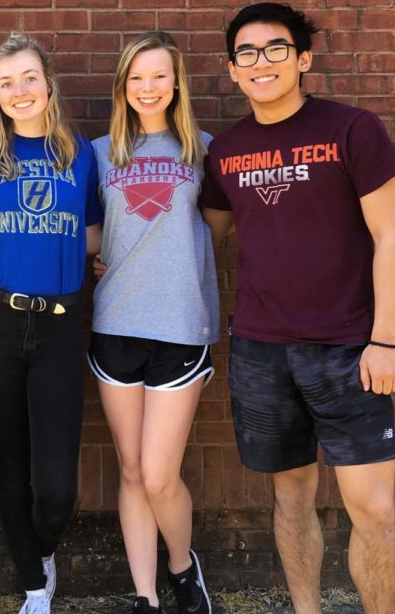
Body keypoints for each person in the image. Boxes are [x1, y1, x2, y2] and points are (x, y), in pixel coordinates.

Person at [200, 3, 395, 614]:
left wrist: (386, 338)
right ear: (232, 70)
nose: (260, 63)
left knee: (371, 507)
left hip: (350, 348)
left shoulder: (352, 129)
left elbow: (392, 236)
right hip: (260, 350)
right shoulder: (227, 150)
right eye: (247, 54)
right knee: (290, 498)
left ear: (303, 59)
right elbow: (202, 239)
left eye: (274, 50)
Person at [0, 34, 102, 614]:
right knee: (10, 466)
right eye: (6, 83)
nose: (19, 91)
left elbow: (93, 227)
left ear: (48, 84)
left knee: (56, 488)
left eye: (27, 78)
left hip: (60, 329)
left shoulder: (81, 153)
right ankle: (34, 587)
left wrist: (102, 255)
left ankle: (42, 548)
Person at [90, 31, 219, 614]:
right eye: (137, 77)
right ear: (123, 85)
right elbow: (94, 234)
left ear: (176, 82)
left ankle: (180, 565)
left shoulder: (204, 150)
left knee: (162, 474)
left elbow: (214, 233)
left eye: (159, 76)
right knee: (133, 468)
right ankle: (144, 596)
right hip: (116, 322)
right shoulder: (98, 153)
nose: (148, 87)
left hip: (180, 325)